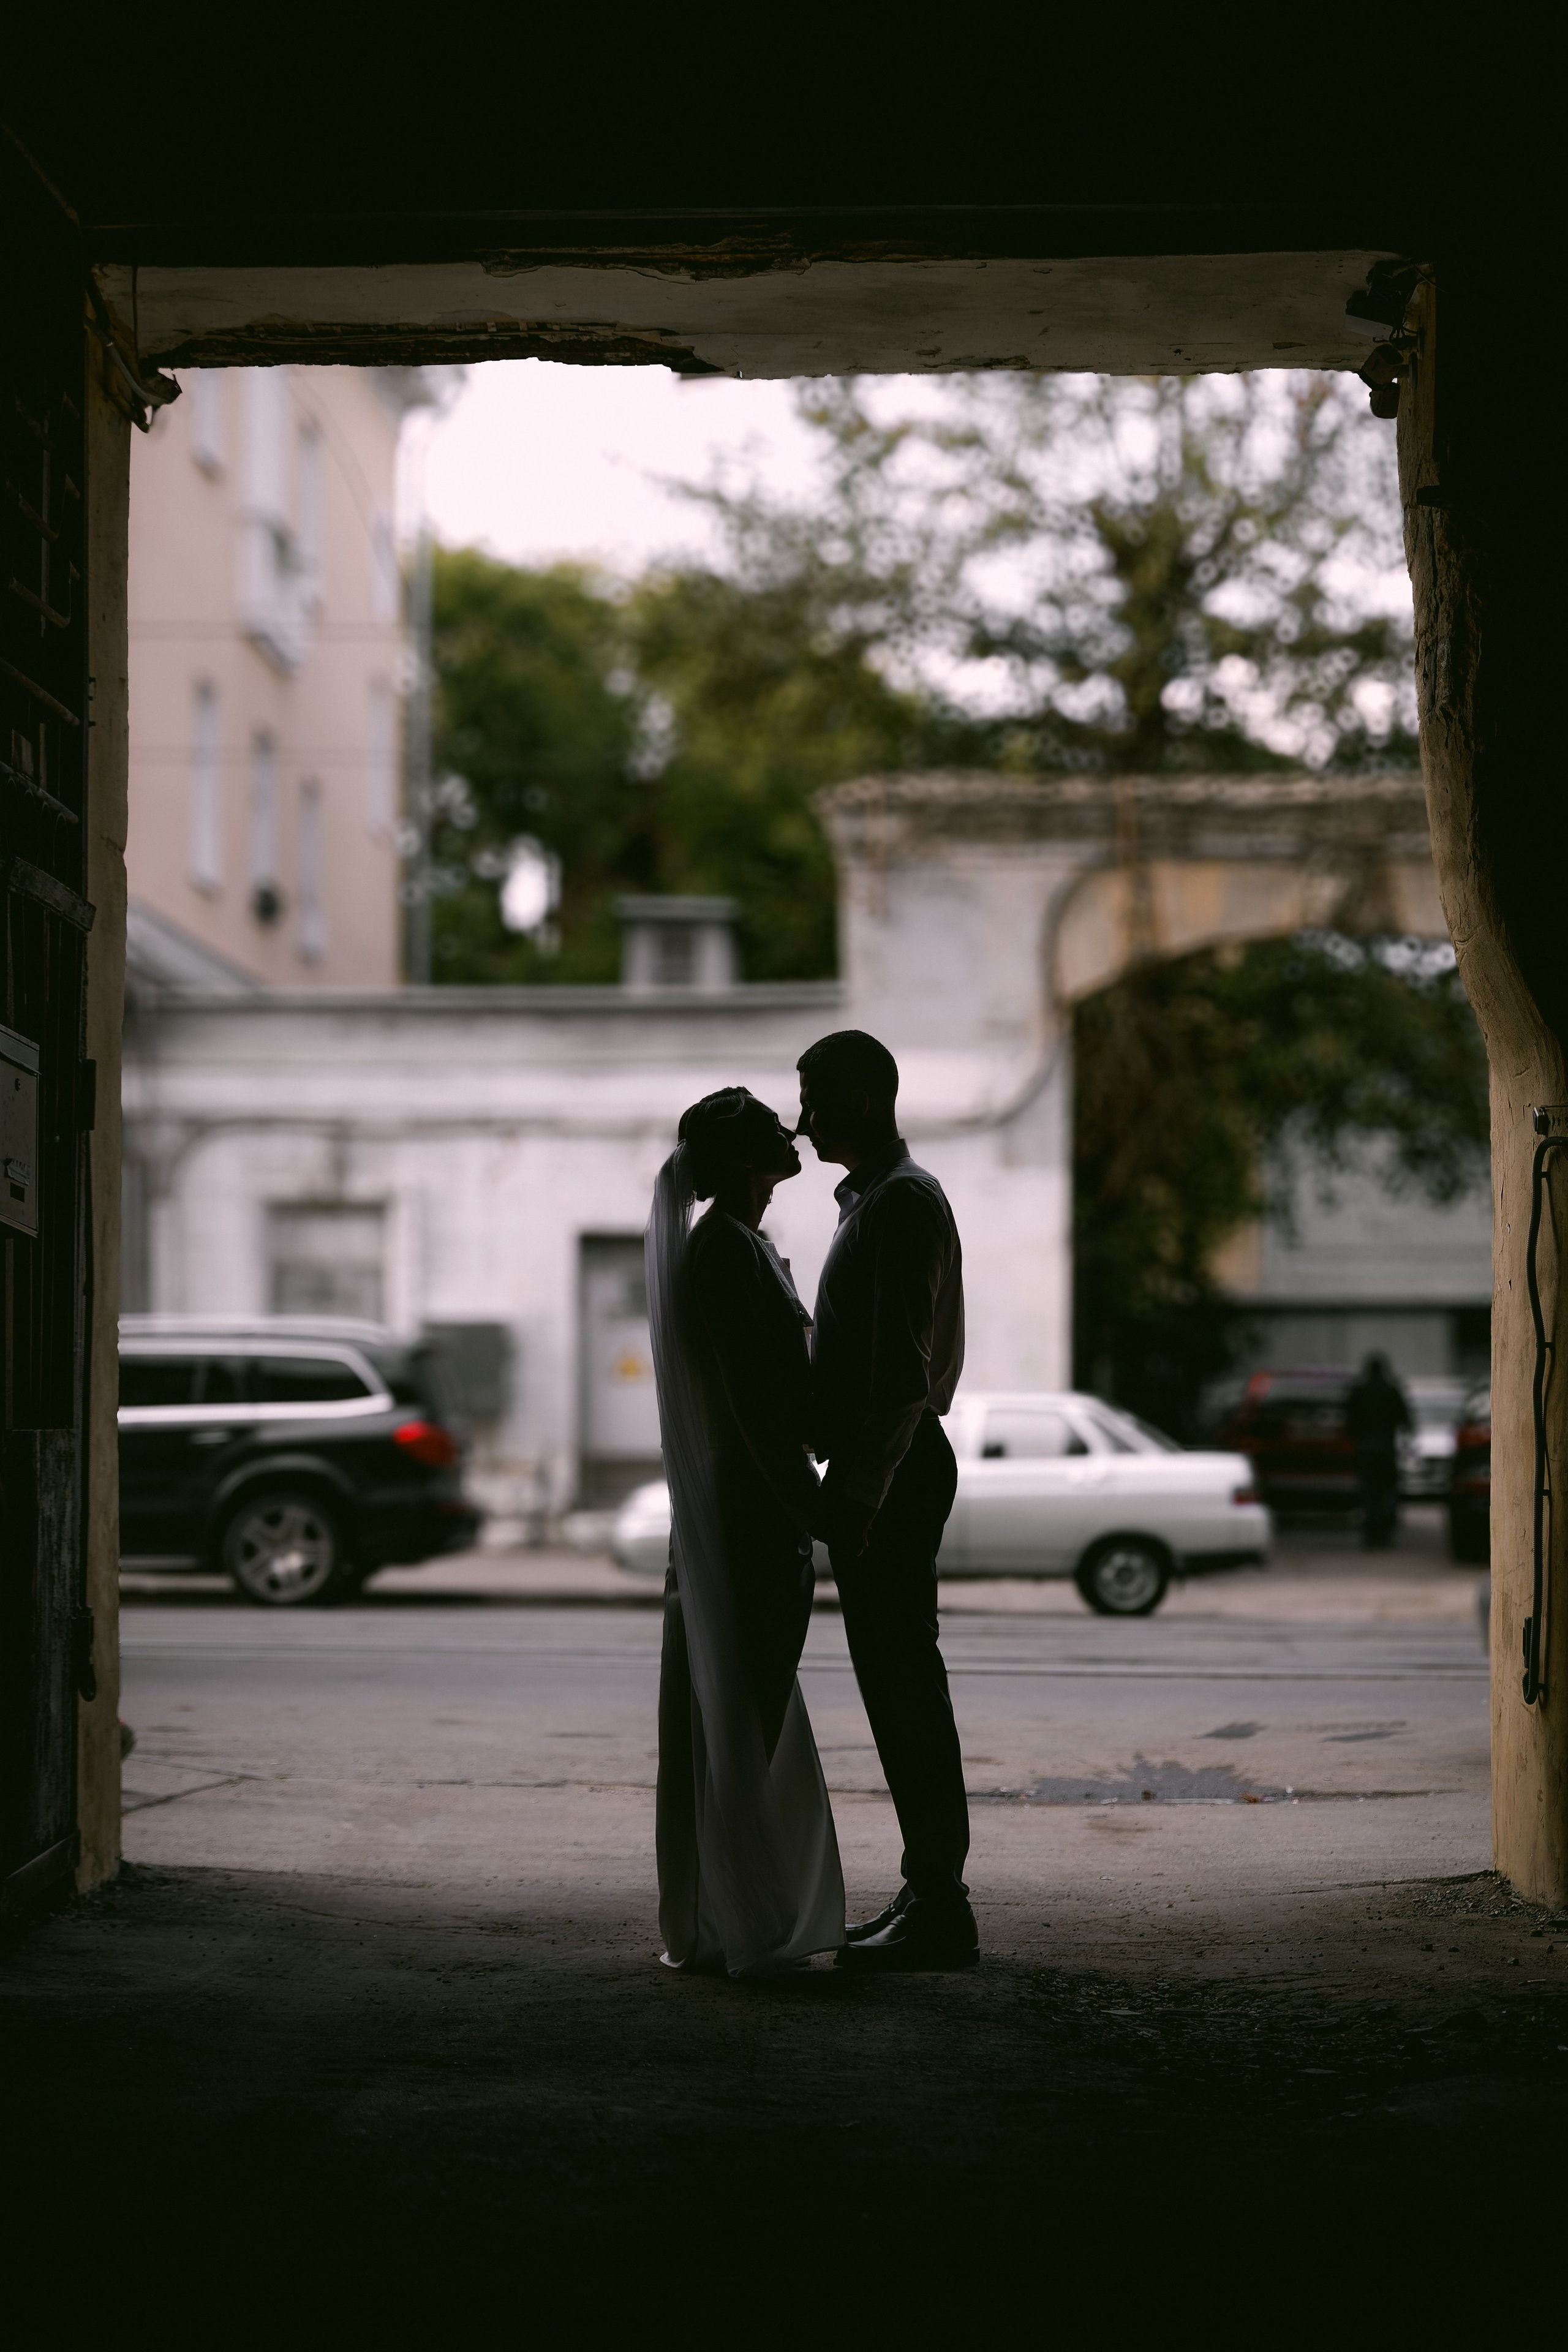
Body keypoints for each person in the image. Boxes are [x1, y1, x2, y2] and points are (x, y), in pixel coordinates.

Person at [647, 1087, 845, 1977]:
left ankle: (737, 1904)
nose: (789, 1127)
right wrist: (811, 1505)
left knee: (750, 1705)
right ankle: (733, 1913)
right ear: (735, 1160)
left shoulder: (748, 1244)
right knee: (743, 1706)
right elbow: (755, 1408)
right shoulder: (723, 1253)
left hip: (763, 1504)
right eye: (767, 1123)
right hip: (750, 1508)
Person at [797, 1029, 976, 1971]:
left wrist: (857, 1496)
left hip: (897, 1466)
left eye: (814, 1100)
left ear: (864, 1101)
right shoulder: (876, 1200)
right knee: (895, 1684)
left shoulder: (902, 1204)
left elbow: (905, 1378)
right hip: (889, 1462)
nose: (800, 1122)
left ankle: (941, 1904)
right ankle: (929, 1893)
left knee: (905, 1687)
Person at [1343, 1353, 1412, 1549]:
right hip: (1385, 1446)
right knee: (1387, 1490)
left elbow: (1348, 1418)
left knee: (1369, 1491)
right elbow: (1406, 1418)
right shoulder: (1390, 1390)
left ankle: (1371, 1531)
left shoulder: (1360, 1391)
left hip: (1366, 1447)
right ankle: (1384, 1529)